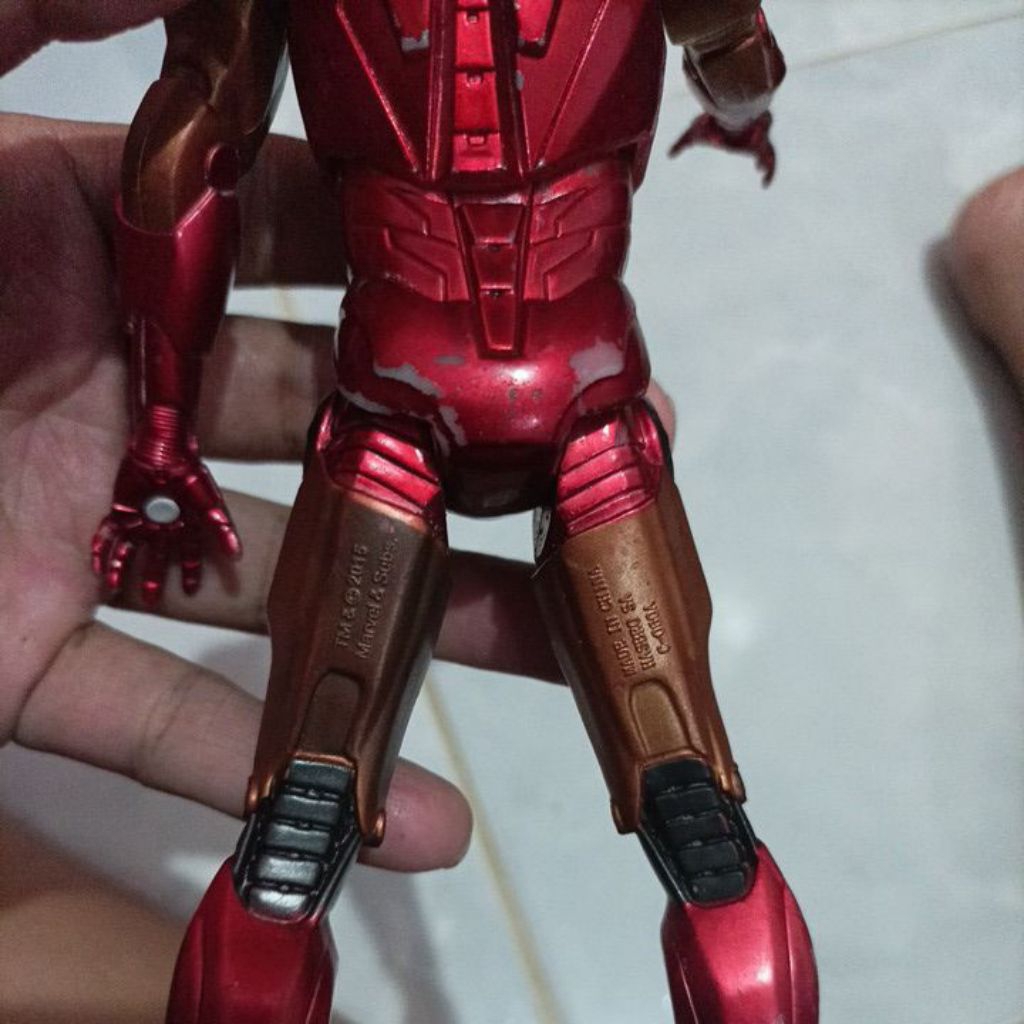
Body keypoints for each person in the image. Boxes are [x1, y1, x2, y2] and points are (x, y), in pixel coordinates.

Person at [0, 4, 666, 1019]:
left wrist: (167, 419)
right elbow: (738, 60)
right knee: (689, 806)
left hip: (416, 398)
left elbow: (185, 157)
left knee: (299, 827)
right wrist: (162, 425)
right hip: (549, 394)